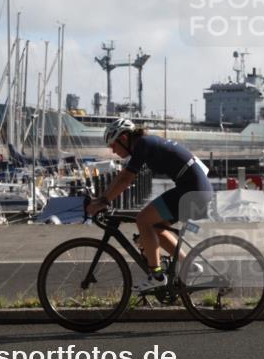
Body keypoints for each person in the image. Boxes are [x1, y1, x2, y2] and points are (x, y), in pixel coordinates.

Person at [86, 119, 213, 291]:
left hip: (191, 190)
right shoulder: (147, 143)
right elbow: (124, 176)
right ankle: (189, 265)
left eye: (113, 145)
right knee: (155, 227)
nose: (113, 151)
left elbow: (125, 179)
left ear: (124, 138)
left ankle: (156, 275)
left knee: (144, 219)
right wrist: (104, 198)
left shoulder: (143, 144)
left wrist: (103, 201)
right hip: (196, 189)